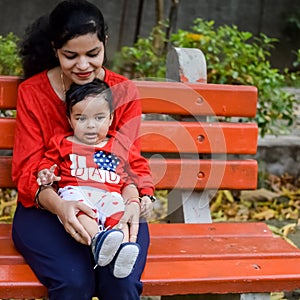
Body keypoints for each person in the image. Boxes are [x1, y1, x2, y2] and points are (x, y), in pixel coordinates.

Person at [11, 0, 156, 299]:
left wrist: (140, 199)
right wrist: (61, 207)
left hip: (114, 202)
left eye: (93, 54)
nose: (83, 65)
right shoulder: (33, 93)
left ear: (105, 43)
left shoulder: (123, 92)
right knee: (74, 282)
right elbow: (26, 171)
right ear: (54, 49)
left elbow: (132, 161)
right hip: (47, 208)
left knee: (121, 281)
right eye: (70, 55)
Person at [37, 78, 153, 279]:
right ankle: (98, 241)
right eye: (81, 118)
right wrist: (46, 174)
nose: (90, 126)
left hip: (110, 193)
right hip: (76, 192)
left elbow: (140, 168)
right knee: (82, 213)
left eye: (99, 118)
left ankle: (123, 252)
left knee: (120, 216)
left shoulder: (120, 143)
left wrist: (146, 194)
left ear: (110, 118)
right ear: (69, 119)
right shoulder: (62, 142)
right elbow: (47, 163)